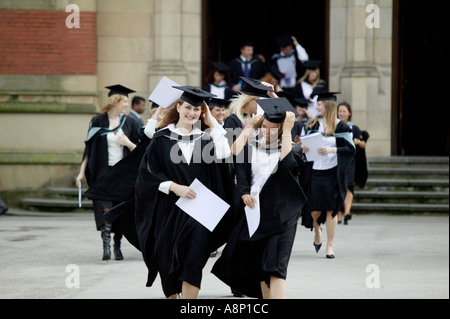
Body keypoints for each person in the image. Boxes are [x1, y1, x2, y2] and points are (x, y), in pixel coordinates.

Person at [134, 86, 232, 299]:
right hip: (168, 210)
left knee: (193, 261)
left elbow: (225, 153)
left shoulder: (205, 140)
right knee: (166, 260)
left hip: (199, 210)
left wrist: (212, 122)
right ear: (178, 107)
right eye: (188, 107)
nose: (192, 113)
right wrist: (173, 186)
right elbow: (147, 174)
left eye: (197, 109)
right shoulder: (161, 139)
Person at [212, 98, 307, 299]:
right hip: (257, 214)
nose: (266, 132)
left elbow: (288, 165)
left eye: (273, 129)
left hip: (282, 215)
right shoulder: (252, 146)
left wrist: (289, 131)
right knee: (261, 269)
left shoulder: (292, 149)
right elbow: (236, 155)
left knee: (276, 268)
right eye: (264, 127)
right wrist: (244, 192)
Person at [76, 85, 141, 261]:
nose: (127, 105)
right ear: (115, 102)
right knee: (106, 208)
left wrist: (128, 143)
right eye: (125, 101)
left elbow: (140, 150)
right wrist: (81, 173)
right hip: (103, 173)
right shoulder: (97, 122)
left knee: (119, 210)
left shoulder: (130, 123)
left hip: (123, 173)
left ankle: (117, 245)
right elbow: (88, 149)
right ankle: (106, 246)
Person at [300, 92, 355, 259]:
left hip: (333, 173)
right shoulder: (312, 124)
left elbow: (350, 149)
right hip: (315, 171)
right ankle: (317, 230)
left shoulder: (342, 127)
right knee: (314, 211)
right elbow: (302, 143)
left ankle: (330, 245)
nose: (317, 107)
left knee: (332, 210)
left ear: (328, 106)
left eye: (319, 104)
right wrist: (303, 148)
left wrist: (332, 149)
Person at [337, 101, 369, 225]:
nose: (341, 113)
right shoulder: (334, 125)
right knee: (339, 186)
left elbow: (363, 143)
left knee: (349, 186)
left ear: (349, 113)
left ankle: (347, 212)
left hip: (350, 161)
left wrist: (356, 141)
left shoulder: (353, 128)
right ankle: (338, 215)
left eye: (344, 111)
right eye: (340, 111)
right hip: (337, 159)